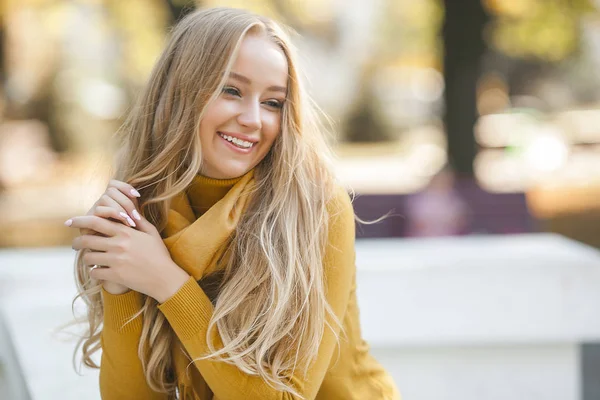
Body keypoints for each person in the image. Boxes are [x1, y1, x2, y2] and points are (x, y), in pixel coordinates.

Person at [65, 7, 400, 400]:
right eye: (232, 90)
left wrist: (166, 281)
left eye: (273, 102)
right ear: (179, 92)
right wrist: (118, 285)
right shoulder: (143, 213)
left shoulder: (316, 208)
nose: (254, 119)